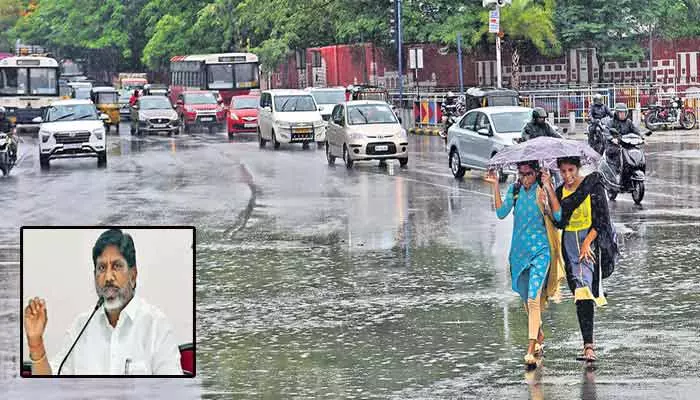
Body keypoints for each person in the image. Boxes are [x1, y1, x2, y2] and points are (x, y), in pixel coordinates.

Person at [24, 229, 183, 375]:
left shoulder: (155, 325)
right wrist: (35, 342)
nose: (108, 277)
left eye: (117, 266)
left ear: (133, 276)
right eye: (101, 268)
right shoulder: (81, 327)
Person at [486, 161, 566, 366]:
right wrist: (495, 185)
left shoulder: (542, 190)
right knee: (526, 299)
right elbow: (501, 213)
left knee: (533, 298)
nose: (524, 178)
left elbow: (558, 216)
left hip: (541, 252)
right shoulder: (515, 190)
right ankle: (539, 335)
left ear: (536, 173)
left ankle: (530, 347)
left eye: (528, 174)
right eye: (520, 174)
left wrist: (548, 190)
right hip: (519, 254)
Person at [549, 157, 618, 362]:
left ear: (578, 168)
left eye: (571, 170)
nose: (568, 176)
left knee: (584, 290)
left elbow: (602, 219)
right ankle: (587, 345)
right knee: (579, 292)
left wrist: (587, 243)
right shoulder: (560, 192)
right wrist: (548, 189)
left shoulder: (593, 185)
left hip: (590, 244)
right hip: (570, 247)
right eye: (563, 171)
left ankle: (589, 346)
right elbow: (559, 221)